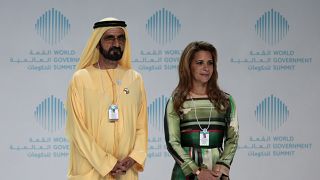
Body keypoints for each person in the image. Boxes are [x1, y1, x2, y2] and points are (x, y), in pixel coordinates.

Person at [65, 17, 148, 180]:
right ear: (97, 42)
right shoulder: (81, 78)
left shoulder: (135, 79)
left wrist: (134, 157)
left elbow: (141, 126)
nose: (116, 44)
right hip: (90, 171)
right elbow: (77, 130)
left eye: (121, 38)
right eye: (110, 38)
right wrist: (107, 163)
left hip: (125, 172)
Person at [164, 41, 239, 180]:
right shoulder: (176, 102)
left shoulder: (226, 101)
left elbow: (232, 139)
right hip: (186, 174)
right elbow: (172, 143)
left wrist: (222, 166)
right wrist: (197, 171)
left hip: (216, 173)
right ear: (188, 67)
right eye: (199, 63)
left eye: (210, 63)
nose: (206, 68)